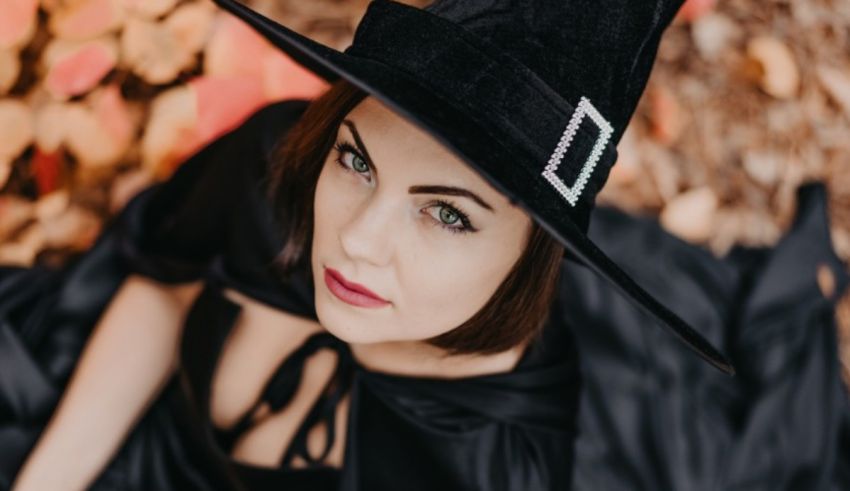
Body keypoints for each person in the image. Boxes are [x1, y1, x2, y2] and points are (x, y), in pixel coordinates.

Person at [1, 0, 848, 490]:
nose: (355, 240)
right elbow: (165, 286)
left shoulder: (488, 470)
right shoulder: (277, 164)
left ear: (534, 248)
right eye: (356, 160)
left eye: (448, 214)